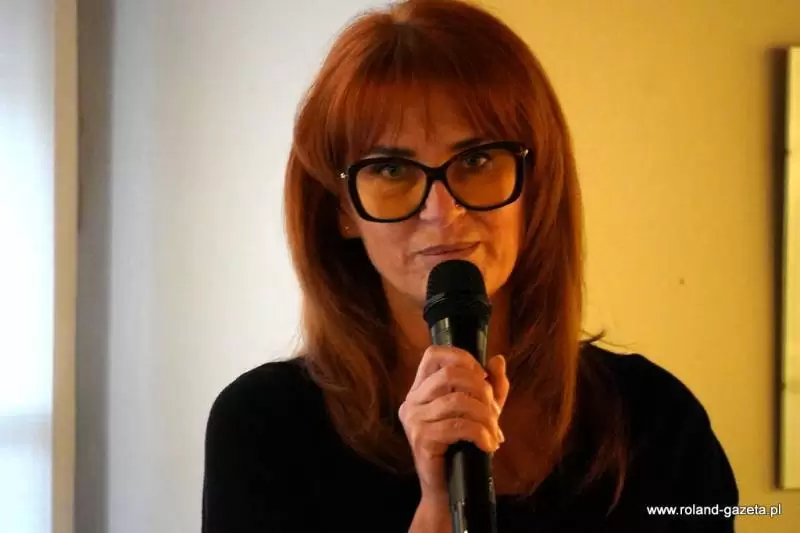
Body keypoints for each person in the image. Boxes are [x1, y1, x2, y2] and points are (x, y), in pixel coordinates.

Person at [201, 0, 738, 531]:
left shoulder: (656, 422)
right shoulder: (264, 429)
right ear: (342, 209)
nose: (442, 211)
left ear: (535, 187)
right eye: (392, 169)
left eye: (477, 159)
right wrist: (438, 510)